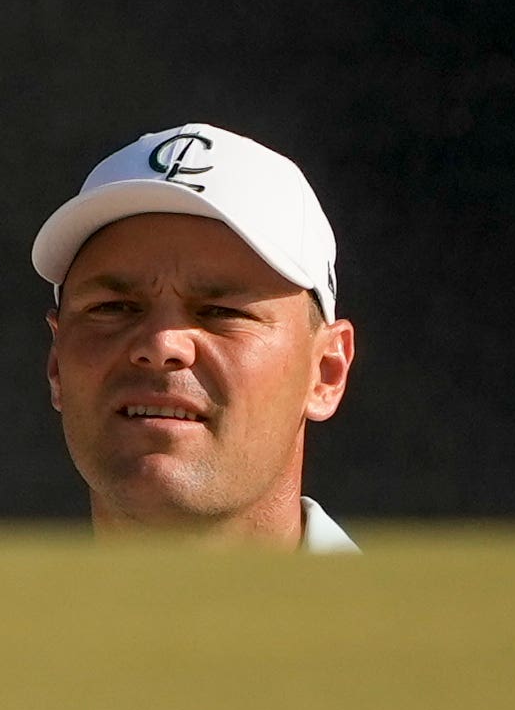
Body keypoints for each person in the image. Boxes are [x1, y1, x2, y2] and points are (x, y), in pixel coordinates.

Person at [32, 124, 358, 551]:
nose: (161, 344)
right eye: (113, 308)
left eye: (222, 312)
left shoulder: (423, 620)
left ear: (326, 372)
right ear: (57, 362)